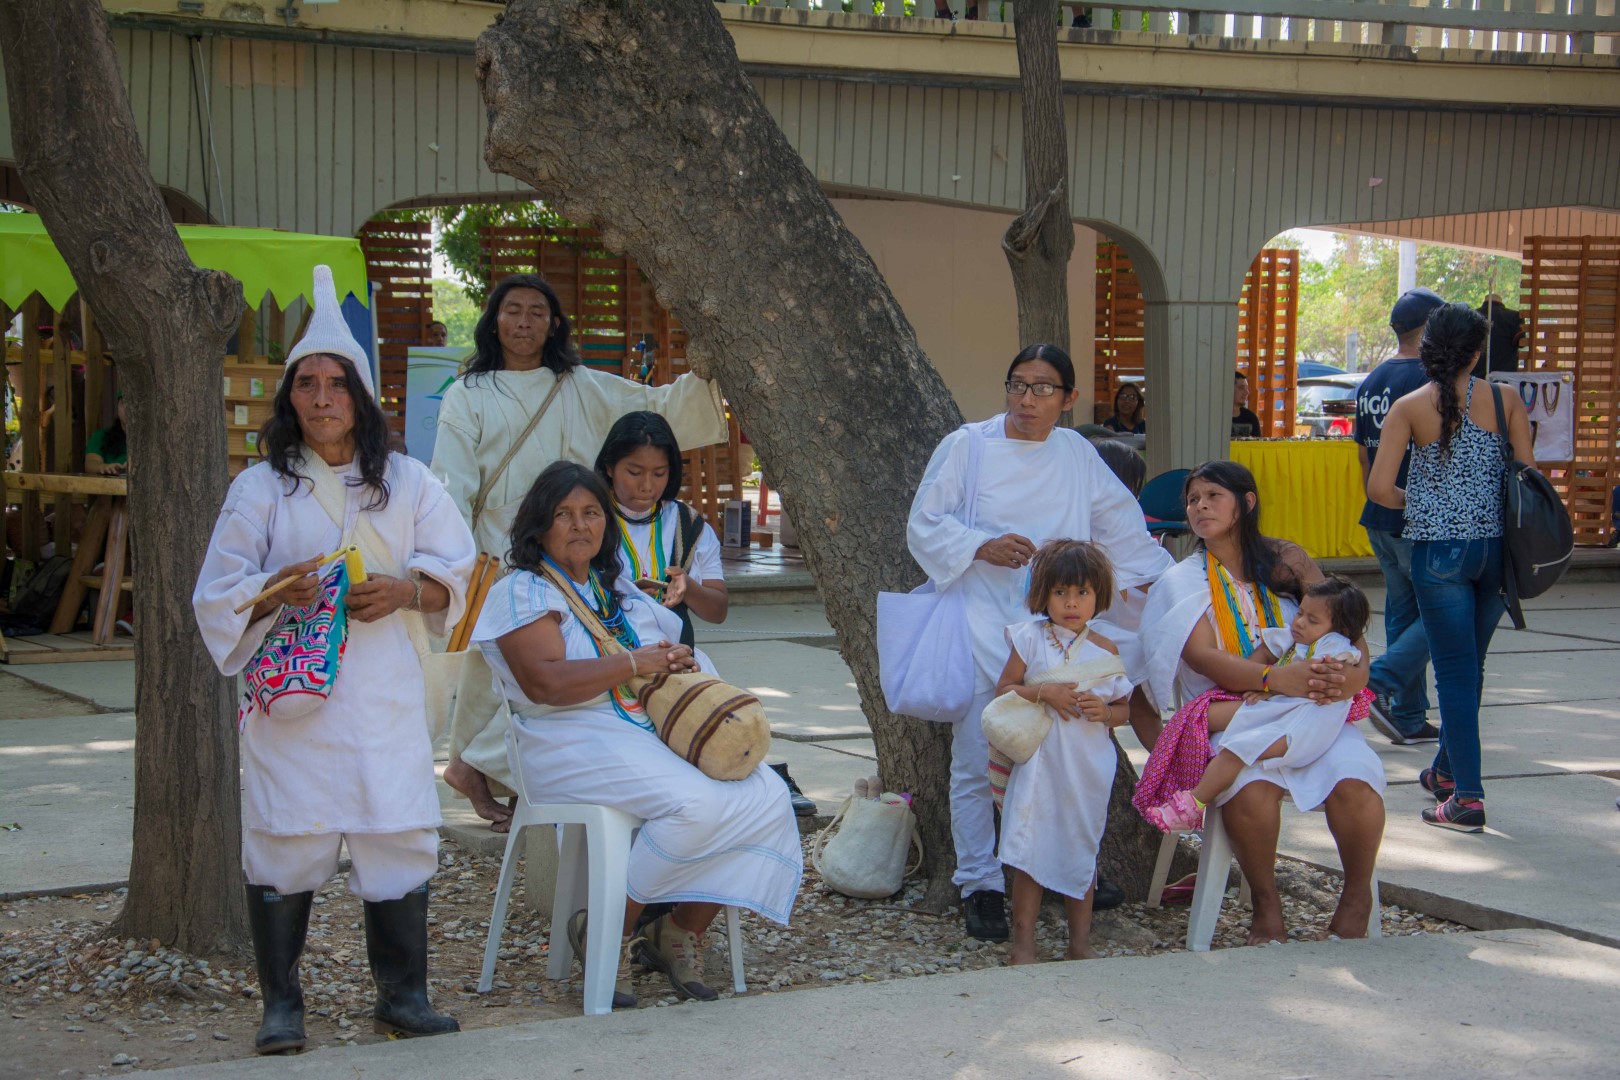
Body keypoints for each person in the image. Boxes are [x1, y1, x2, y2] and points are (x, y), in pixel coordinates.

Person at [192, 266, 476, 1053]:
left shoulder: (412, 483)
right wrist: (279, 590)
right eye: (308, 385)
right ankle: (282, 1005)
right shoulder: (260, 490)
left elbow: (465, 568)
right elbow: (217, 591)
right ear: (291, 400)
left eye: (337, 384)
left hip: (385, 692)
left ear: (361, 397)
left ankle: (404, 995)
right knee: (287, 836)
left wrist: (407, 591)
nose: (322, 399)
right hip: (294, 701)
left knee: (397, 831)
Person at [471, 461, 801, 1006]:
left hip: (637, 728)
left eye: (592, 513)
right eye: (564, 514)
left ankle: (678, 930)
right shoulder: (524, 590)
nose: (580, 526)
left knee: (765, 794)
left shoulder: (611, 584)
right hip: (566, 738)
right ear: (539, 526)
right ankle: (607, 931)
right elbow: (546, 683)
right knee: (696, 804)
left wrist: (672, 658)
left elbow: (654, 651)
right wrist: (633, 663)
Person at [433, 273, 729, 831]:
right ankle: (470, 766)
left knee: (567, 661)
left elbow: (654, 408)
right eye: (513, 311)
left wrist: (709, 373)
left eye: (537, 312)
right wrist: (458, 558)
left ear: (554, 323)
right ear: (493, 319)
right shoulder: (467, 394)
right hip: (497, 548)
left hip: (570, 545)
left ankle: (492, 767)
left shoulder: (580, 385)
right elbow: (450, 485)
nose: (524, 323)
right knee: (492, 673)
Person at [907, 343, 1174, 942]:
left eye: (1043, 389)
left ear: (1069, 399)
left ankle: (1060, 870)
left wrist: (1170, 587)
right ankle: (981, 883)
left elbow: (1120, 527)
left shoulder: (1076, 452)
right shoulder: (967, 446)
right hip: (980, 619)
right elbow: (924, 521)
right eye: (1018, 386)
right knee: (980, 751)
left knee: (1064, 756)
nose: (1027, 400)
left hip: (1062, 628)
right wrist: (980, 545)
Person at [1137, 461, 1385, 943]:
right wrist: (1278, 679)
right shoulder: (1182, 581)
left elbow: (1346, 626)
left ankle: (1357, 895)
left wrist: (1351, 678)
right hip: (1231, 714)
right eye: (1193, 499)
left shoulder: (1284, 565)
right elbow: (1204, 658)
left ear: (1246, 503)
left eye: (1213, 496)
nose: (1200, 506)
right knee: (1251, 788)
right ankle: (1265, 905)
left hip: (1311, 711)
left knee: (1355, 777)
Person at [593, 411, 816, 817]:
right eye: (634, 471)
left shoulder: (688, 525)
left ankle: (761, 784)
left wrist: (687, 587)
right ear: (608, 467)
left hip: (678, 660)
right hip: (607, 659)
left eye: (659, 473)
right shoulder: (589, 517)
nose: (647, 485)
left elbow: (718, 609)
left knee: (721, 731)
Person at [1370, 302, 1535, 833]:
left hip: (1438, 552)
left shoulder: (1412, 406)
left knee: (1456, 675)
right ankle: (1446, 771)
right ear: (1478, 351)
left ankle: (1467, 798)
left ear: (1428, 348)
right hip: (1495, 553)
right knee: (1472, 668)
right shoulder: (1505, 398)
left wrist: (1423, 503)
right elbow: (1527, 477)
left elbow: (1379, 489)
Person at [992, 540, 1134, 965]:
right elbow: (1003, 691)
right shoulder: (1029, 639)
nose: (1072, 603)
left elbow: (1126, 708)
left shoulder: (1106, 650)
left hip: (1087, 769)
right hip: (1038, 767)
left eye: (1083, 593)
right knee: (1027, 852)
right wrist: (1043, 692)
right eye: (1060, 593)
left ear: (1099, 596)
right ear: (1042, 594)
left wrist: (1105, 711)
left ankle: (1079, 944)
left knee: (1081, 849)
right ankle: (1023, 945)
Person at [1143, 575, 1370, 831]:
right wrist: (1263, 681)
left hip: (1306, 727)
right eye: (1300, 613)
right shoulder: (1296, 637)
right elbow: (1262, 658)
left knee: (1238, 748)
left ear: (1341, 629)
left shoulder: (1333, 644)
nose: (1300, 623)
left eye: (1312, 620)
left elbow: (1313, 678)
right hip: (1285, 714)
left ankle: (1192, 805)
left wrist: (1271, 688)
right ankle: (1188, 799)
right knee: (1214, 731)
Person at [1355, 287, 1445, 746]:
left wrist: (1379, 500)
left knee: (1403, 612)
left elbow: (1365, 459)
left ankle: (1407, 716)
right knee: (1444, 613)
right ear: (1431, 327)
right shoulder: (1430, 382)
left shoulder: (1372, 381)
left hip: (1380, 514)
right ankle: (1383, 683)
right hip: (1417, 515)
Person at [1474, 294, 1523, 378]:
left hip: (1475, 378)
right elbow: (1521, 343)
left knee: (1472, 391)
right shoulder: (1515, 317)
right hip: (1505, 378)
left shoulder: (1470, 316)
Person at [84, 394, 128, 475]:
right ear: (117, 408)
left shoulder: (155, 441)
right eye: (124, 402)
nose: (128, 408)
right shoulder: (101, 436)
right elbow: (91, 463)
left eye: (134, 403)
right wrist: (104, 467)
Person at [1232, 371, 1262, 438]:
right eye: (1241, 388)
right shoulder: (1217, 417)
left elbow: (1258, 446)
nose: (1247, 392)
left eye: (1247, 388)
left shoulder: (1251, 418)